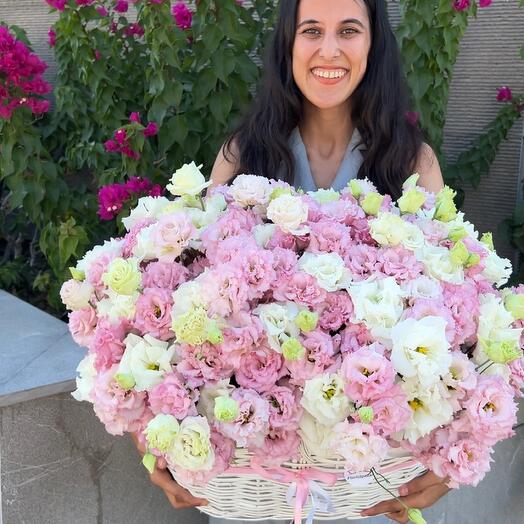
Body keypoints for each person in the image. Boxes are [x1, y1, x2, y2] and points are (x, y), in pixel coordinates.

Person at [133, 0, 451, 522]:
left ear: (375, 45)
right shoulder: (243, 156)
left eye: (349, 30)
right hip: (253, 477)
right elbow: (175, 306)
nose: (330, 50)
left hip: (363, 479)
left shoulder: (411, 163)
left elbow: (452, 322)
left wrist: (449, 459)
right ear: (288, 44)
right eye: (311, 31)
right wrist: (153, 439)